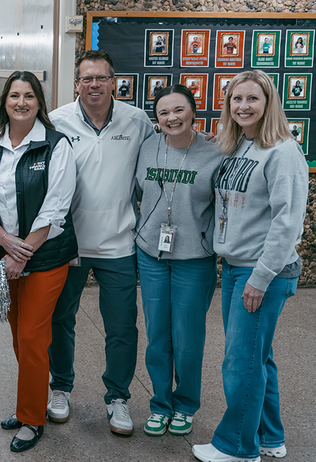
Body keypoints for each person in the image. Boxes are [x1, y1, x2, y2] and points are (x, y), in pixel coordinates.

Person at [193, 70, 308, 462]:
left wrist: (260, 278)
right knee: (258, 357)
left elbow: (287, 223)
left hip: (263, 272)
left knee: (241, 361)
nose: (243, 106)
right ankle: (270, 437)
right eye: (236, 99)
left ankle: (238, 447)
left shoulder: (282, 151)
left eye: (252, 99)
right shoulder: (242, 144)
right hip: (238, 265)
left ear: (269, 103)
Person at [47, 50, 155, 436]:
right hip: (67, 244)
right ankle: (60, 388)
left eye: (101, 78)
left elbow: (159, 160)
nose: (94, 85)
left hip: (119, 244)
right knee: (61, 321)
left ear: (114, 81)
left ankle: (118, 397)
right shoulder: (57, 121)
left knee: (123, 326)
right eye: (86, 78)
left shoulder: (137, 121)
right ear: (76, 83)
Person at [0, 71, 77, 452]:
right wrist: (4, 244)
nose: (21, 102)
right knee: (19, 336)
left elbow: (56, 208)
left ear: (39, 102)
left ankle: (32, 419)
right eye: (14, 95)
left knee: (33, 335)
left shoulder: (55, 145)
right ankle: (28, 402)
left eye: (29, 96)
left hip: (46, 256)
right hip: (5, 255)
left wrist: (24, 253)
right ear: (4, 101)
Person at [133, 85, 221, 438]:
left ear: (193, 112)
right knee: (157, 334)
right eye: (164, 112)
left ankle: (185, 404)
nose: (171, 118)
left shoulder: (215, 151)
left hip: (194, 258)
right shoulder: (147, 147)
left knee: (187, 337)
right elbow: (139, 191)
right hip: (151, 254)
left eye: (179, 110)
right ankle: (160, 403)